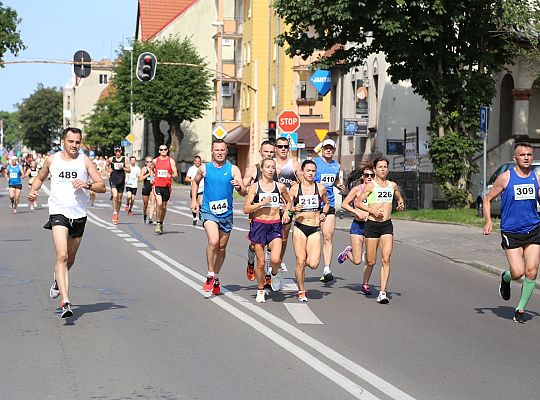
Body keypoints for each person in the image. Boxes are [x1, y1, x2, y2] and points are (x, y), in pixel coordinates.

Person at [28, 127, 106, 318]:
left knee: (70, 258)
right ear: (63, 141)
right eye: (71, 141)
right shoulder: (52, 160)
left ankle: (57, 280)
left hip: (79, 214)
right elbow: (39, 177)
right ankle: (66, 301)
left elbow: (102, 186)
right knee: (61, 255)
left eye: (77, 142)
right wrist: (33, 190)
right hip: (58, 212)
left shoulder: (84, 160)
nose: (74, 145)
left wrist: (87, 184)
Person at [483, 142, 540, 323]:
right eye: (522, 155)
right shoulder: (505, 178)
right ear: (515, 158)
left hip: (533, 229)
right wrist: (488, 221)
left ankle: (520, 309)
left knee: (531, 271)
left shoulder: (537, 178)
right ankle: (506, 278)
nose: (526, 157)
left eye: (529, 155)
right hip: (511, 231)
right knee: (517, 273)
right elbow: (487, 199)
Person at [191, 139, 246, 296]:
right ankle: (209, 275)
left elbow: (243, 191)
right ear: (212, 151)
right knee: (213, 242)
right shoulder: (204, 168)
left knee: (221, 248)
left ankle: (216, 276)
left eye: (222, 150)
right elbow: (195, 183)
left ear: (226, 151)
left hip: (226, 214)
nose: (220, 152)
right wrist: (194, 200)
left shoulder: (233, 169)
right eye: (217, 150)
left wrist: (239, 187)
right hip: (209, 211)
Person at [357, 157, 405, 304]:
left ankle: (382, 292)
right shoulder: (371, 186)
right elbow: (358, 202)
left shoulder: (393, 185)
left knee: (386, 258)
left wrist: (400, 203)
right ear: (375, 170)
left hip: (386, 226)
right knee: (371, 261)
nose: (383, 169)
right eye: (380, 167)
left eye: (385, 167)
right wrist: (371, 210)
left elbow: (399, 197)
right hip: (372, 225)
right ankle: (367, 262)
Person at [243, 158, 291, 303]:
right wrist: (260, 204)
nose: (271, 169)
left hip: (275, 224)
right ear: (262, 169)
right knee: (262, 262)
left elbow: (289, 201)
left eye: (273, 167)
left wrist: (287, 214)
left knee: (276, 259)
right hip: (259, 225)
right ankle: (260, 289)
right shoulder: (255, 187)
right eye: (268, 167)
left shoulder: (280, 187)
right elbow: (246, 209)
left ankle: (274, 274)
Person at [289, 160, 329, 301]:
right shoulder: (295, 189)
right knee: (300, 261)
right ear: (302, 172)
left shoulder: (320, 188)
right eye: (308, 170)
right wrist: (293, 209)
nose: (311, 173)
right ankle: (301, 291)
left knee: (313, 264)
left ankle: (301, 268)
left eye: (313, 171)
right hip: (300, 227)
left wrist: (324, 213)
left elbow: (327, 204)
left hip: (314, 228)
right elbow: (286, 208)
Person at [337, 162, 374, 294]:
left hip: (373, 226)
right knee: (357, 260)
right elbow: (344, 204)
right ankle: (348, 252)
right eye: (367, 175)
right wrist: (356, 211)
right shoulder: (357, 190)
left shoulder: (377, 189)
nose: (370, 177)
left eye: (372, 175)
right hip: (358, 225)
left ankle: (365, 284)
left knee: (371, 259)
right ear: (362, 176)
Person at [243, 140, 276, 283]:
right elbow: (244, 189)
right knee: (255, 244)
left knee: (271, 244)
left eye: (271, 152)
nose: (268, 154)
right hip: (256, 214)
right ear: (260, 152)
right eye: (266, 151)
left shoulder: (275, 170)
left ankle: (268, 274)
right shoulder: (253, 169)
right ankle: (251, 260)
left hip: (273, 214)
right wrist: (241, 186)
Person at [313, 139, 346, 282]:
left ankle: (327, 269)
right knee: (312, 236)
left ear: (333, 150)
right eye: (326, 148)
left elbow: (336, 180)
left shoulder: (336, 165)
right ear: (322, 149)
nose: (328, 150)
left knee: (327, 235)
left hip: (329, 204)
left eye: (331, 149)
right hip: (313, 204)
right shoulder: (314, 163)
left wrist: (339, 185)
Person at [275, 136, 303, 272]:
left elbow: (304, 183)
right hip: (271, 207)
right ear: (276, 148)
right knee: (271, 238)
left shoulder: (294, 164)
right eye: (280, 146)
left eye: (286, 146)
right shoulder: (270, 163)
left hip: (287, 206)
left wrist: (297, 183)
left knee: (283, 238)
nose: (283, 149)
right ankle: (271, 260)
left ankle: (278, 260)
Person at [152, 145, 178, 234]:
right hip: (157, 185)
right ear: (159, 151)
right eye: (161, 149)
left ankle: (161, 222)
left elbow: (175, 174)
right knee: (158, 203)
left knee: (163, 206)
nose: (163, 151)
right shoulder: (155, 161)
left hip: (166, 186)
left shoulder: (171, 161)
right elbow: (151, 170)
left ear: (167, 150)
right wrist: (152, 177)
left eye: (165, 149)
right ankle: (158, 223)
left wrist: (171, 175)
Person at [107, 147, 130, 224]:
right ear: (114, 152)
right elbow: (106, 166)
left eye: (119, 151)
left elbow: (129, 170)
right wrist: (108, 170)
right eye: (116, 151)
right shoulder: (111, 159)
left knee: (119, 199)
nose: (118, 153)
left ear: (121, 152)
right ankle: (114, 212)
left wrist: (123, 167)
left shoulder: (125, 159)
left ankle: (117, 213)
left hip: (121, 180)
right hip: (113, 179)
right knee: (115, 195)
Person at [185, 155, 204, 226]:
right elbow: (186, 179)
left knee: (201, 203)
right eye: (196, 162)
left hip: (202, 188)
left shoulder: (203, 168)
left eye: (199, 162)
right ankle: (194, 217)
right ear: (194, 162)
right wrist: (194, 180)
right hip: (194, 189)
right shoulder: (191, 169)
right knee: (194, 203)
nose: (198, 163)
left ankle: (201, 215)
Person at [139, 156, 156, 224]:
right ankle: (145, 214)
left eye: (150, 162)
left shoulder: (155, 169)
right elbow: (140, 178)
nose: (149, 163)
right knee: (145, 204)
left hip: (152, 187)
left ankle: (150, 218)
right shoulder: (144, 169)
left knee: (152, 202)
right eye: (147, 162)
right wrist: (148, 174)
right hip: (146, 187)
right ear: (145, 163)